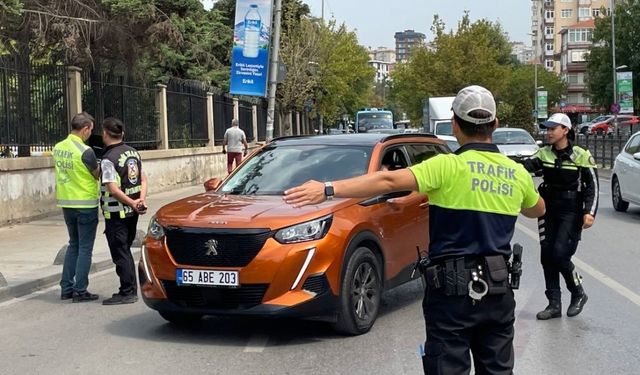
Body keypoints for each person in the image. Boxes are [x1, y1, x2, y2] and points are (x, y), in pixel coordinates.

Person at [283, 85, 545, 374]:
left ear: (455, 125)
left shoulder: (446, 167)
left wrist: (327, 189)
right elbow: (537, 209)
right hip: (498, 291)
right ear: (494, 125)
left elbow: (388, 183)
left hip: (451, 295)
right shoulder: (516, 173)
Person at [521, 113, 598, 320]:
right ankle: (554, 304)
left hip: (571, 212)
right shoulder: (543, 153)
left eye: (553, 128)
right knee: (547, 256)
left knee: (560, 255)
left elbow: (592, 187)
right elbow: (523, 169)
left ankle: (578, 292)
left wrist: (589, 212)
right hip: (547, 210)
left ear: (565, 130)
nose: (549, 132)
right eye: (547, 129)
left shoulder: (581, 155)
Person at [52, 112, 101, 303]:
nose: (90, 134)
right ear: (85, 128)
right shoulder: (85, 151)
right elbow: (96, 174)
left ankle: (66, 288)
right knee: (85, 248)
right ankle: (81, 290)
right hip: (85, 204)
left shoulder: (58, 148)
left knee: (74, 244)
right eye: (90, 130)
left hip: (66, 203)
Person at [99, 117, 148, 305]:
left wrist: (132, 203)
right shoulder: (133, 152)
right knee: (125, 250)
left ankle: (127, 291)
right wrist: (139, 201)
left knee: (120, 252)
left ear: (105, 133)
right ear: (122, 134)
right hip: (133, 212)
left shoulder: (108, 159)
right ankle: (129, 289)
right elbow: (143, 180)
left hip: (116, 213)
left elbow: (113, 189)